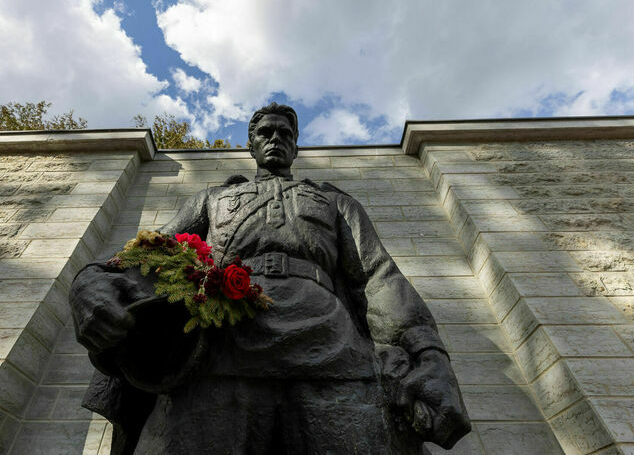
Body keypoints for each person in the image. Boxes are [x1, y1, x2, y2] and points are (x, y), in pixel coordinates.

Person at [70, 103, 470, 454]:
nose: (276, 138)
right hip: (221, 351)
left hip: (333, 355)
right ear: (251, 144)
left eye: (285, 133)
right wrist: (93, 284)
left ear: (295, 145)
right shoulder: (212, 199)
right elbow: (154, 253)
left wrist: (427, 356)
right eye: (266, 132)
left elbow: (378, 277)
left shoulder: (333, 201)